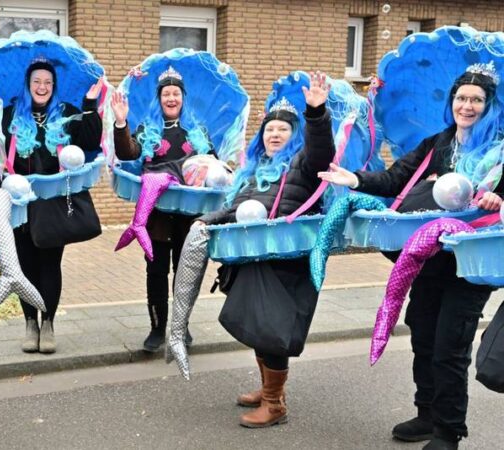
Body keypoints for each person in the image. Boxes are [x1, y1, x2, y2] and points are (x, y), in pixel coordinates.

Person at [319, 66, 503, 450]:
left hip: (470, 263)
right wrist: (354, 180)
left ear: (490, 106)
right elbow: (393, 179)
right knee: (422, 334)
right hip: (428, 258)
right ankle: (427, 413)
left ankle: (448, 431)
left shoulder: (500, 150)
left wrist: (498, 199)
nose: (467, 106)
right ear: (451, 102)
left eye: (476, 100)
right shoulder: (437, 144)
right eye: (461, 98)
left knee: (450, 345)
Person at [196, 71, 334, 428]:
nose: (274, 134)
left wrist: (316, 114)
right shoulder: (253, 169)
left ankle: (274, 404)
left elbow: (322, 152)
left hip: (287, 261)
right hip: (252, 256)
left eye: (283, 130)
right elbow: (234, 206)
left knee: (272, 328)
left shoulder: (304, 165)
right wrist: (206, 219)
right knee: (258, 325)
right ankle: (269, 390)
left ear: (294, 136)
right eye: (269, 129)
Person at [2, 60, 102, 354]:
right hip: (20, 202)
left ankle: (48, 323)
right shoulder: (9, 115)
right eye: (36, 81)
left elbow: (89, 140)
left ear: (53, 85)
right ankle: (29, 323)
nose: (42, 87)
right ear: (28, 84)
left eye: (47, 82)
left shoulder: (68, 114)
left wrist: (89, 105)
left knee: (49, 264)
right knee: (23, 265)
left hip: (54, 202)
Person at [111, 66, 213, 352]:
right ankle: (157, 329)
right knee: (155, 273)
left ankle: (182, 327)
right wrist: (121, 123)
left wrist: (214, 168)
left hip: (189, 218)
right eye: (166, 93)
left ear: (183, 98)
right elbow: (127, 153)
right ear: (160, 99)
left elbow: (214, 166)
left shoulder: (198, 131)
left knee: (185, 273)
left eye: (175, 93)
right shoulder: (147, 129)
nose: (171, 98)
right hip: (154, 217)